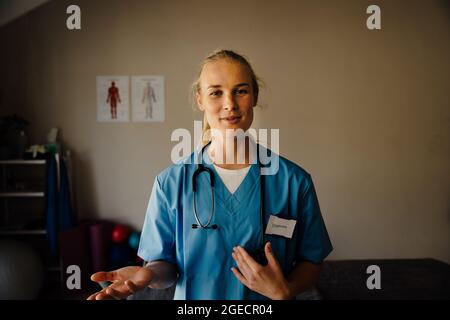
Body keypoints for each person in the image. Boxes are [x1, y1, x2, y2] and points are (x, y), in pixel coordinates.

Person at [88, 49, 333, 300]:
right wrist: (148, 275)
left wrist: (287, 289)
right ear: (200, 100)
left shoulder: (294, 182)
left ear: (254, 96)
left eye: (241, 90)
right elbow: (166, 268)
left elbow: (312, 260)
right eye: (216, 92)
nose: (230, 104)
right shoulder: (171, 183)